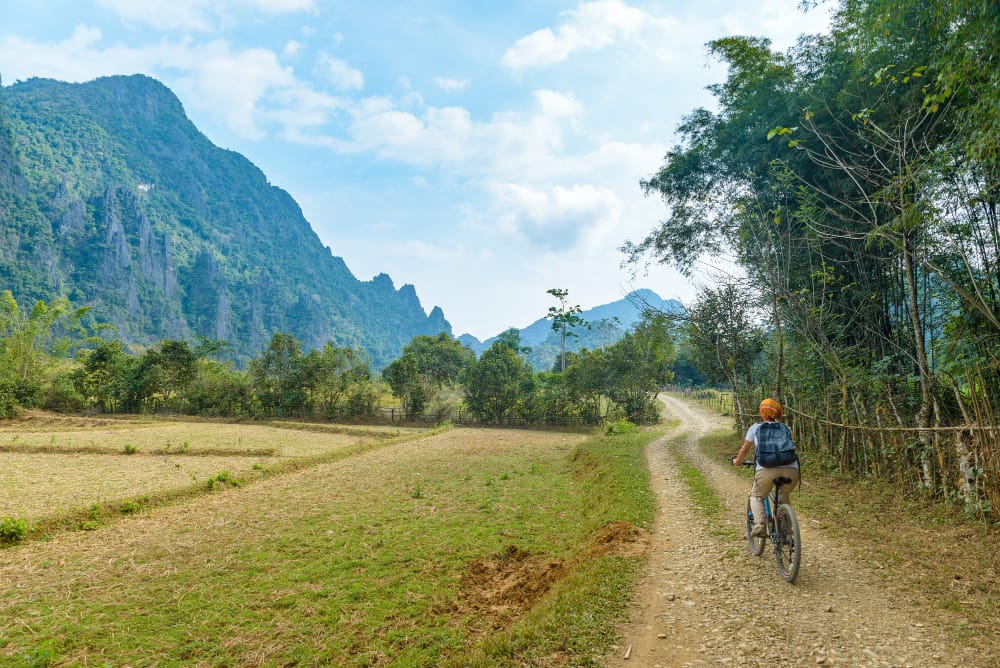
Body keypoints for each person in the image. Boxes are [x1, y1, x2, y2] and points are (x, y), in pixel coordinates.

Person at [731, 398, 800, 537]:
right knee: (783, 496)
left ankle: (760, 525)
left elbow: (745, 449)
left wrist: (737, 461)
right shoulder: (786, 428)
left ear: (762, 413)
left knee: (756, 496)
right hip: (791, 469)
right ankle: (786, 530)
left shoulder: (755, 428)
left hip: (766, 469)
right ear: (778, 414)